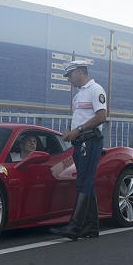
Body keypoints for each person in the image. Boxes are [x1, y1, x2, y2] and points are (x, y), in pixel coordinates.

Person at [50, 60, 106, 240]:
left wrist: (78, 130)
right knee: (85, 181)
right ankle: (91, 227)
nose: (69, 80)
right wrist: (70, 131)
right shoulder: (79, 95)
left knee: (84, 181)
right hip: (80, 143)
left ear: (81, 72)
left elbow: (101, 116)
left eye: (70, 75)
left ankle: (75, 227)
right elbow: (79, 117)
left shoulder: (95, 89)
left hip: (89, 141)